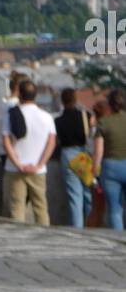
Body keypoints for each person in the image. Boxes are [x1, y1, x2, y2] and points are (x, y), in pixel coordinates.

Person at [1, 78, 57, 225]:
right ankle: (44, 237)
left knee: (16, 207)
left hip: (14, 169)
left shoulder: (11, 115)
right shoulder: (47, 117)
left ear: (19, 95)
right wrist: (40, 164)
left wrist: (17, 163)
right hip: (37, 170)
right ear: (35, 95)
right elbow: (51, 142)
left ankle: (18, 238)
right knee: (40, 207)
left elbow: (6, 141)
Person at [0, 70, 28, 213]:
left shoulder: (0, 103)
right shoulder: (18, 107)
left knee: (6, 185)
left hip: (2, 150)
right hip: (19, 151)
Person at [54, 87, 92, 227]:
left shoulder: (58, 120)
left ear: (62, 101)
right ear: (75, 99)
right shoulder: (85, 116)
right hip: (83, 155)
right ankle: (91, 226)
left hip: (67, 155)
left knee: (74, 197)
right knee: (88, 195)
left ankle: (77, 229)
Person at [92, 88, 126, 230]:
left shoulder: (103, 123)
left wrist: (94, 169)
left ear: (109, 104)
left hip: (110, 167)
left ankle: (119, 241)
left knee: (114, 209)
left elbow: (98, 150)